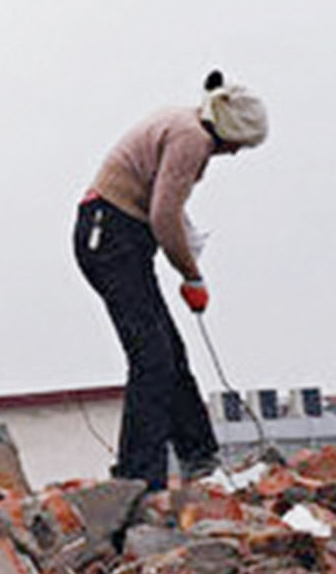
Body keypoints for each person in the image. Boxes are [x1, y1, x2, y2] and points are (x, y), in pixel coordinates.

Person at [75, 70, 269, 489]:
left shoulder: (184, 122)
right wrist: (192, 276)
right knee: (153, 358)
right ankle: (138, 475)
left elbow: (165, 201)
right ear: (230, 132)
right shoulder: (192, 138)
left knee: (170, 354)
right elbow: (164, 215)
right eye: (240, 145)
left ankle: (199, 456)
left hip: (112, 235)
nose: (235, 154)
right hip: (109, 237)